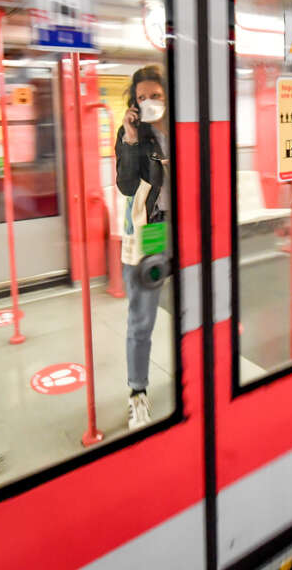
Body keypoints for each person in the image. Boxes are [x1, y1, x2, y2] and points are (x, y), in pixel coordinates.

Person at [115, 64, 169, 429]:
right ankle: (138, 393)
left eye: (156, 95)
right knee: (143, 315)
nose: (149, 102)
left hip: (188, 227)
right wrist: (132, 138)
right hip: (153, 229)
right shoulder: (133, 133)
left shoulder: (184, 128)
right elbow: (126, 185)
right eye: (142, 97)